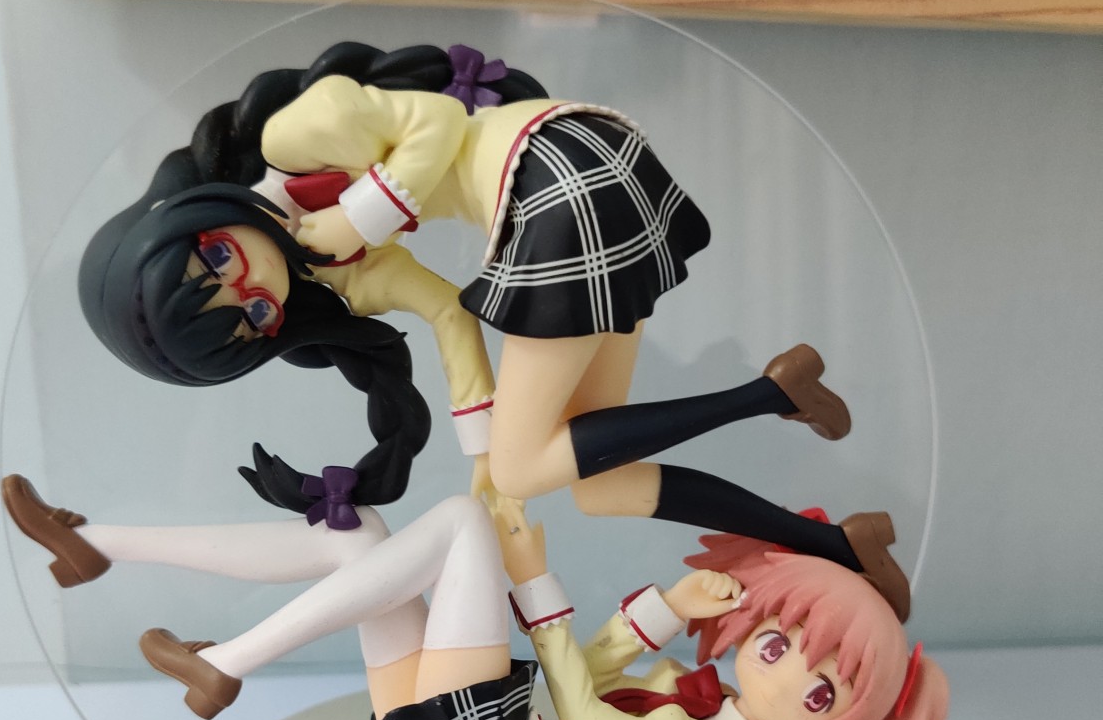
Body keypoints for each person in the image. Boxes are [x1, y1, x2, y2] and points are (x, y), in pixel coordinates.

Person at [79, 40, 909, 614]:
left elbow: (436, 123)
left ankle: (768, 394)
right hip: (576, 189)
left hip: (552, 172)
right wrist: (482, 462)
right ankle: (839, 544)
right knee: (601, 485)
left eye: (216, 261)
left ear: (189, 217)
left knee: (527, 462)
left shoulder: (290, 138)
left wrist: (365, 212)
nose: (254, 283)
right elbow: (447, 314)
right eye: (252, 314)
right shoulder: (337, 275)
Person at [2, 481, 947, 720]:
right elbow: (594, 668)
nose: (783, 670)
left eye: (818, 692)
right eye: (779, 641)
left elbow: (580, 704)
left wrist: (532, 577)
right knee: (359, 538)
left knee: (461, 522)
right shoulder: (687, 694)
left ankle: (222, 665)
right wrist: (669, 605)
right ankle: (97, 543)